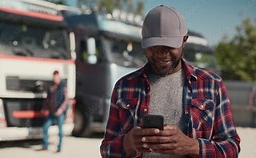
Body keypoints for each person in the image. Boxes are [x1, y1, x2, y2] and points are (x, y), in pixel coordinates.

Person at [100, 5, 240, 158]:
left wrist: (191, 146)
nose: (161, 53)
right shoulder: (124, 87)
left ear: (184, 40)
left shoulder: (211, 84)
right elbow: (106, 150)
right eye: (153, 47)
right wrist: (128, 143)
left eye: (169, 46)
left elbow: (232, 148)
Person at [42, 70, 68, 152]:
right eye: (54, 77)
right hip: (51, 112)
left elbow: (66, 99)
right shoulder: (51, 86)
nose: (55, 79)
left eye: (56, 77)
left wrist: (61, 109)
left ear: (59, 77)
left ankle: (59, 147)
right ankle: (45, 145)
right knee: (45, 127)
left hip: (59, 112)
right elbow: (47, 99)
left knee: (60, 131)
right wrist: (45, 108)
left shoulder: (63, 86)